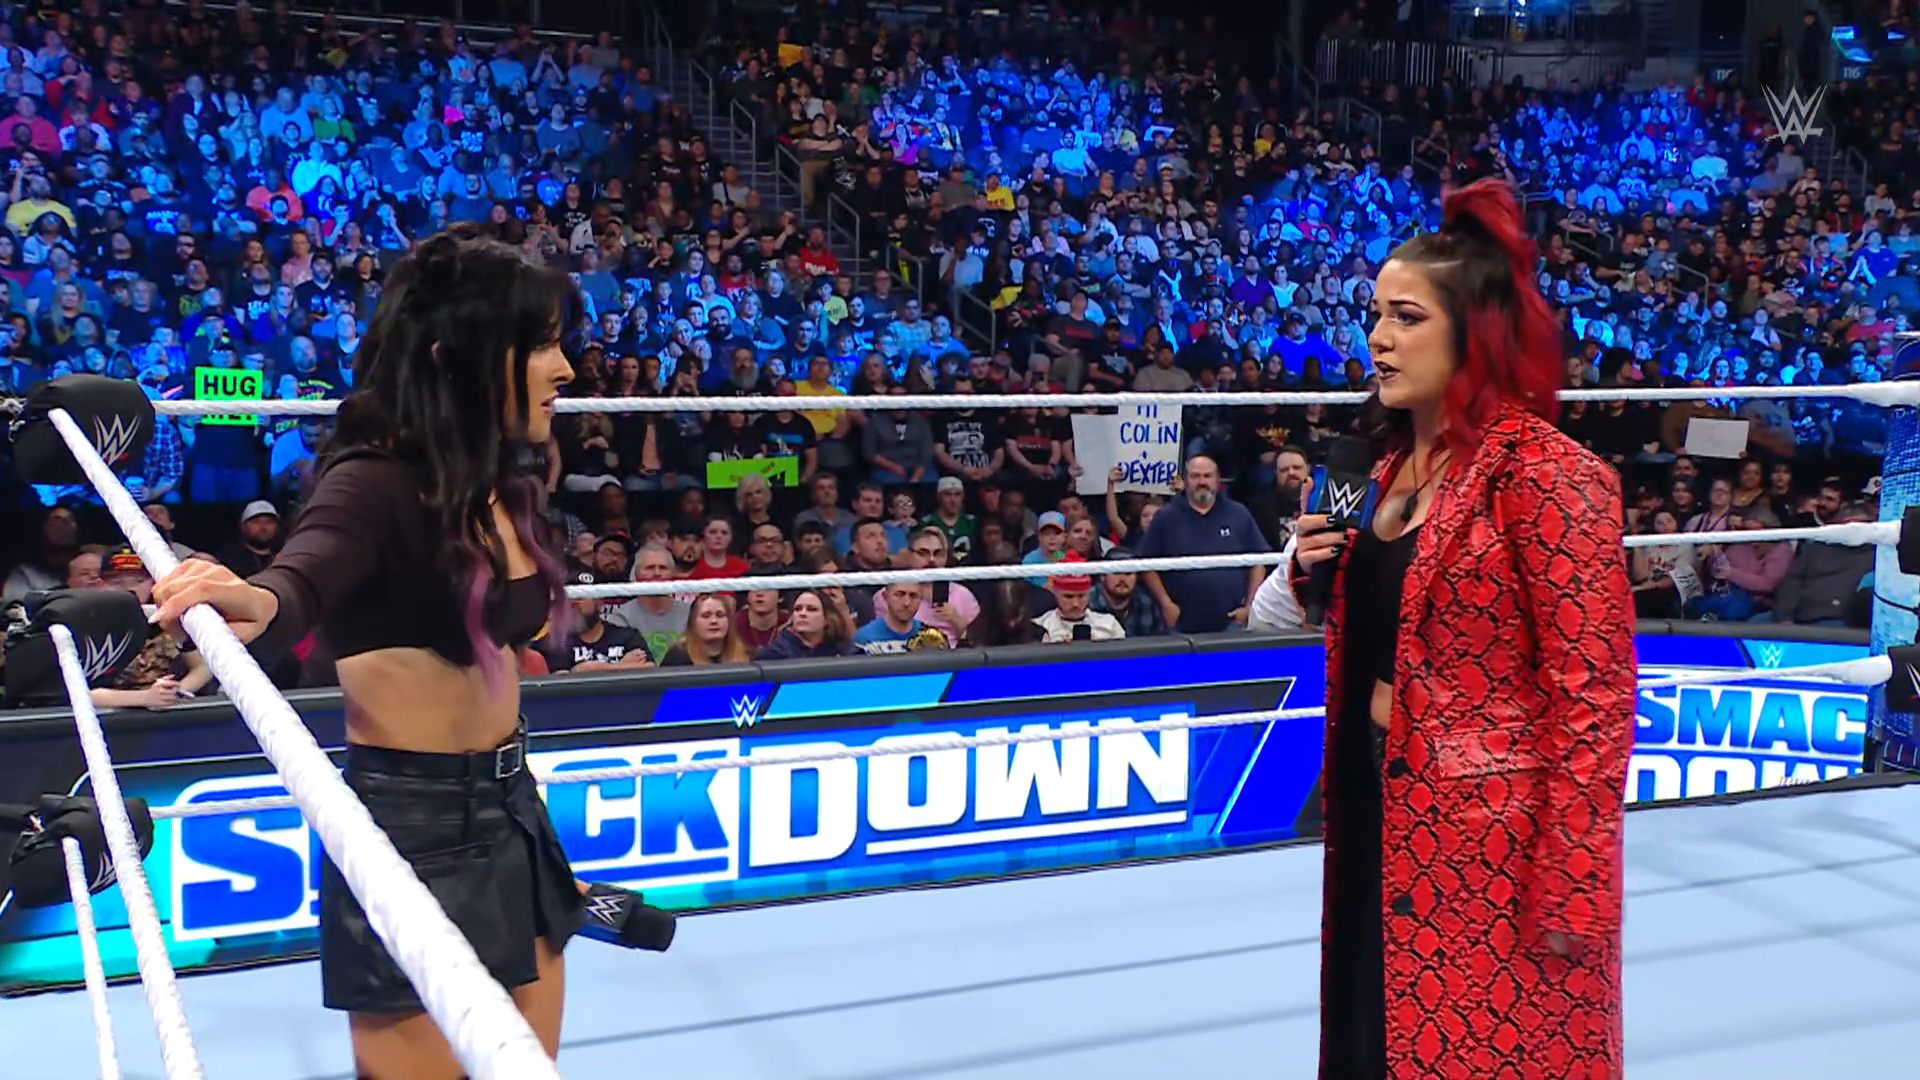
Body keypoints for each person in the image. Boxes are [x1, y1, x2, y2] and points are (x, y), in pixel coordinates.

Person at [150, 228, 587, 1079]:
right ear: (453, 357)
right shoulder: (373, 480)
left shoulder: (497, 479)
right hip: (417, 828)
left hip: (514, 807)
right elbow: (304, 574)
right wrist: (259, 599)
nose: (565, 369)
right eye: (539, 345)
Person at [1285, 180, 1635, 1080]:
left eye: (1407, 317)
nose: (1379, 338)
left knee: (1482, 1051)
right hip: (1374, 800)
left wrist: (1574, 873)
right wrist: (1305, 567)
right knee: (1375, 1035)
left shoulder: (1547, 474)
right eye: (1375, 314)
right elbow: (1364, 624)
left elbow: (1595, 696)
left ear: (1473, 333)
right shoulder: (1381, 468)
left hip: (1493, 844)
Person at [1135, 455, 1269, 632]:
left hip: (1232, 622)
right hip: (1181, 623)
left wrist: (1250, 606)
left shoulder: (1238, 513)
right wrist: (1166, 603)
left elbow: (1259, 561)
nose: (1202, 482)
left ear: (1217, 479)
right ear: (1185, 480)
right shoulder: (1166, 516)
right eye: (1195, 476)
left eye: (1207, 476)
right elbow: (1146, 563)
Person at [660, 594, 753, 665]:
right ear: (693, 622)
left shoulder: (746, 656)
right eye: (706, 616)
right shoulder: (677, 657)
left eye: (720, 615)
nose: (714, 621)